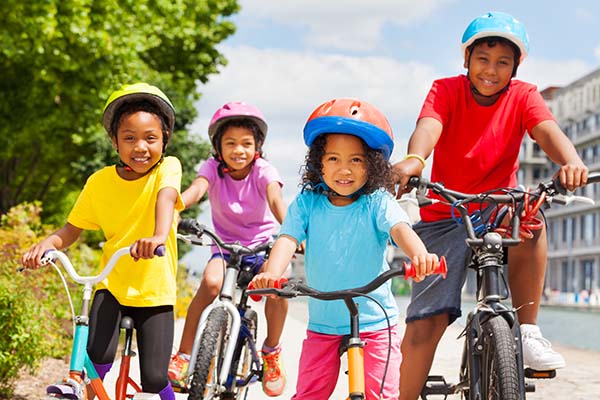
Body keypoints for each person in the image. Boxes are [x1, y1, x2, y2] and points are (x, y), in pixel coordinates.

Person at [392, 11, 589, 400]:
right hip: (446, 212)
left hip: (498, 204)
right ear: (466, 60)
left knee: (530, 213)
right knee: (423, 326)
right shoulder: (445, 90)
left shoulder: (524, 95)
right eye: (483, 59)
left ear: (515, 67)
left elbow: (547, 129)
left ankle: (528, 329)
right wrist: (415, 160)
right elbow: (429, 126)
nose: (491, 70)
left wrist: (571, 161)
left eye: (503, 62)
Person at [251, 98, 441, 400]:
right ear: (318, 163)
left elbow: (400, 229)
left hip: (375, 321)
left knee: (382, 395)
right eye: (333, 159)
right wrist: (271, 274)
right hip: (323, 321)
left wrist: (420, 255)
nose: (344, 169)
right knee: (309, 394)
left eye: (356, 160)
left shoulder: (378, 201)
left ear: (373, 165)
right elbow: (287, 239)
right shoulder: (307, 203)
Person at [22, 82, 184, 400]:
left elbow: (166, 200)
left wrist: (156, 237)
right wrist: (46, 244)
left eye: (151, 138)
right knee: (94, 366)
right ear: (114, 142)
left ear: (164, 140)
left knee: (153, 378)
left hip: (155, 290)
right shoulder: (99, 182)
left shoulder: (168, 168)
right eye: (129, 138)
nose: (141, 147)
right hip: (111, 283)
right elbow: (71, 230)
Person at [168, 101, 289, 396]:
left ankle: (271, 351)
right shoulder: (212, 168)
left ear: (257, 146)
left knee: (277, 287)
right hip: (224, 248)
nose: (239, 150)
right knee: (210, 284)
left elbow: (275, 201)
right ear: (218, 147)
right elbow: (197, 189)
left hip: (261, 246)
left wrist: (292, 233)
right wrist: (174, 207)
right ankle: (184, 355)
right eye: (230, 143)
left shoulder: (263, 171)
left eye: (246, 143)